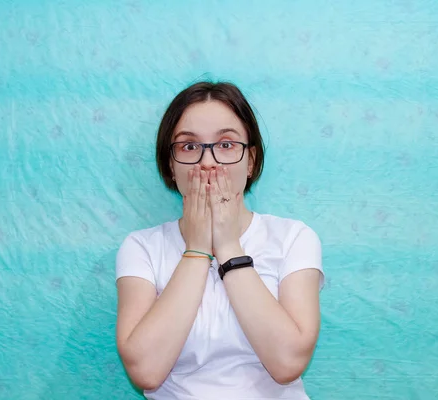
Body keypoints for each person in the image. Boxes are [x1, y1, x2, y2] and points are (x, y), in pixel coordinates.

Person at [115, 81, 325, 399]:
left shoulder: (294, 238)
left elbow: (288, 363)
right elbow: (146, 371)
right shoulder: (141, 248)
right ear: (171, 164)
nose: (208, 162)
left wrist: (228, 247)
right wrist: (197, 250)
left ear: (250, 160)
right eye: (189, 146)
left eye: (226, 144)